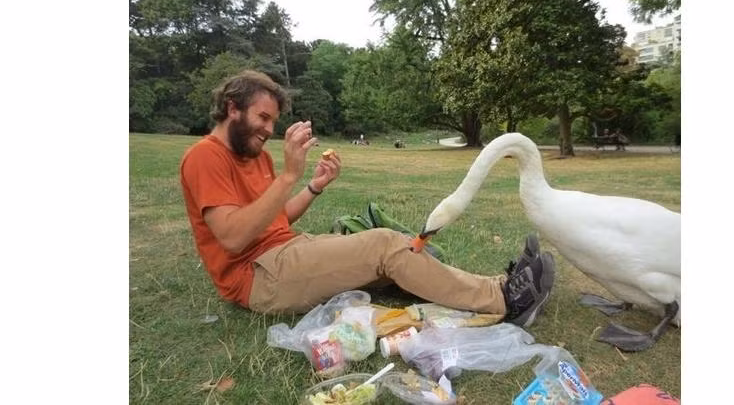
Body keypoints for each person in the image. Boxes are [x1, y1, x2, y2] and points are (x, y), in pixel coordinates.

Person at [179, 70, 555, 327]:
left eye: (273, 121)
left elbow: (274, 220)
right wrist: (290, 174)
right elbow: (232, 237)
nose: (269, 129)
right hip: (256, 278)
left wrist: (313, 187)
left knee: (393, 249)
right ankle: (507, 301)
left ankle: (496, 284)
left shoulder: (255, 156)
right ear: (232, 108)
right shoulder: (205, 156)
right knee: (383, 245)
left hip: (284, 252)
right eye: (263, 118)